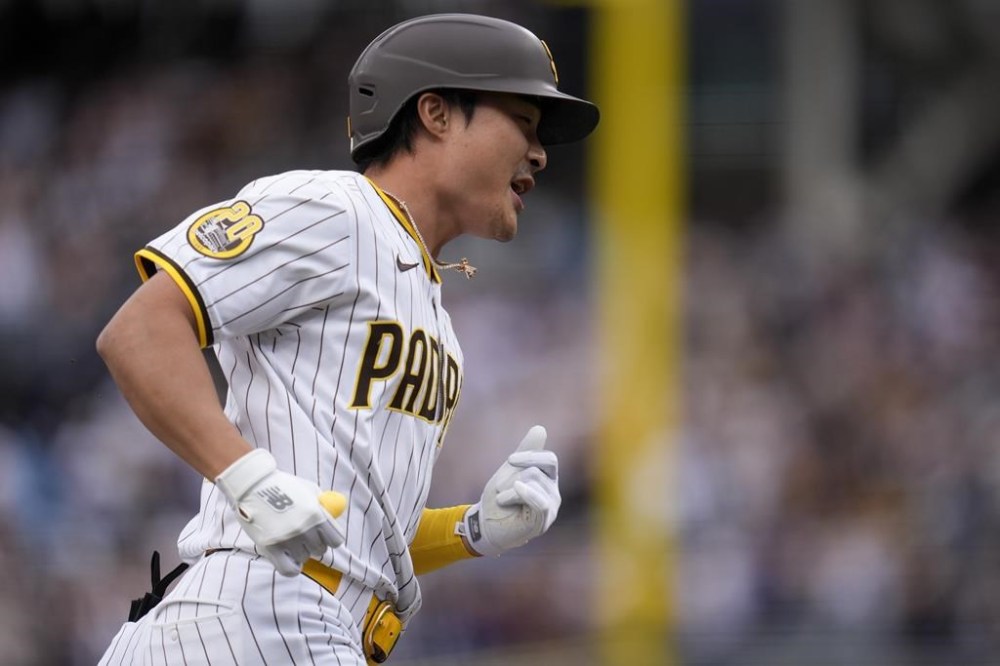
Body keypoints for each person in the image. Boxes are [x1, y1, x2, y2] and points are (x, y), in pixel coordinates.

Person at [95, 12, 599, 665]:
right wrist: (248, 479)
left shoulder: (435, 315)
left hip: (291, 620)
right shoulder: (336, 207)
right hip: (262, 613)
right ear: (436, 114)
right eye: (523, 122)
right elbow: (139, 330)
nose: (539, 152)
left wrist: (470, 529)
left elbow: (344, 530)